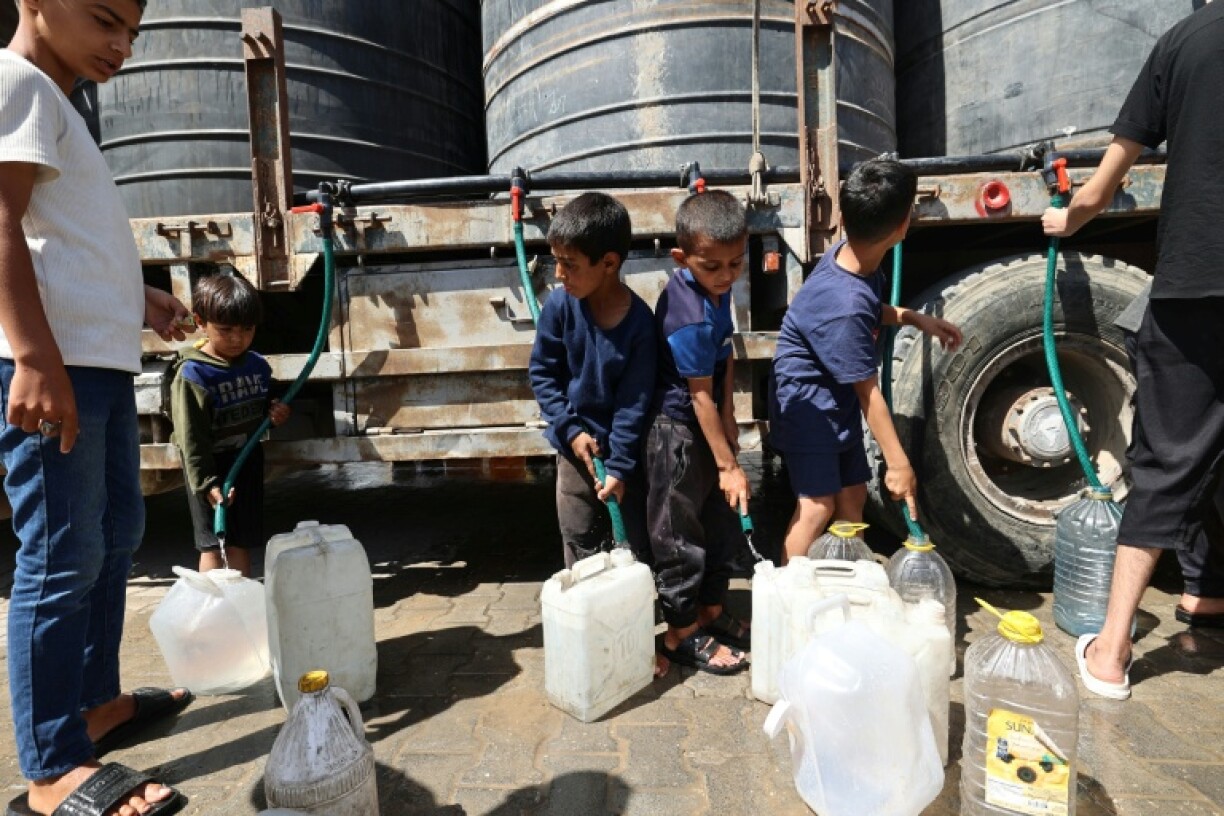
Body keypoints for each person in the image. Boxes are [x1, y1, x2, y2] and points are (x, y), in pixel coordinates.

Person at [0, 1, 195, 813]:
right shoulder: (16, 81)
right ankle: (51, 768)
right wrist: (36, 358)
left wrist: (140, 294)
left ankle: (95, 702)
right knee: (61, 559)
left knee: (118, 535)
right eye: (104, 19)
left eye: (132, 32)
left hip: (98, 365)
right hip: (59, 371)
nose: (120, 44)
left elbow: (59, 240)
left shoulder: (61, 101)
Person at [1041, 2, 1224, 700]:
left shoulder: (1186, 40)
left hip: (1199, 285)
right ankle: (1207, 594)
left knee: (1170, 454)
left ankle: (1112, 653)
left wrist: (1072, 216)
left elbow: (1114, 166)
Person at [769, 159, 962, 563]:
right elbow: (868, 395)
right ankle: (785, 592)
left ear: (844, 217)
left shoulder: (853, 256)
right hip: (808, 406)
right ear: (902, 227)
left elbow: (871, 307)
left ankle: (844, 568)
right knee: (817, 506)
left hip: (832, 392)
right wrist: (898, 463)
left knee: (853, 494)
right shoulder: (845, 303)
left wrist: (912, 317)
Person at [648, 190, 754, 675]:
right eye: (714, 266)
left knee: (719, 524)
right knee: (679, 533)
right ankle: (681, 632)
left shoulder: (717, 287)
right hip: (679, 431)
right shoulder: (685, 311)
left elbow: (726, 351)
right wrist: (728, 465)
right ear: (682, 259)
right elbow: (697, 395)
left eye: (737, 262)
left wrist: (732, 414)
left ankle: (711, 609)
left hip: (710, 420)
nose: (727, 275)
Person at [528, 192, 656, 569]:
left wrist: (619, 468)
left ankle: (636, 617)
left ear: (609, 263)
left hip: (624, 455)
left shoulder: (640, 326)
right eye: (556, 262)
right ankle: (584, 620)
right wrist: (570, 431)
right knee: (578, 538)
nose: (558, 274)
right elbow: (543, 374)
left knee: (632, 546)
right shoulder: (558, 306)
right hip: (574, 448)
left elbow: (635, 403)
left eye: (569, 264)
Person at [171, 271, 290, 577]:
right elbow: (190, 438)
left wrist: (275, 414)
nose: (237, 339)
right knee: (213, 545)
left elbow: (263, 408)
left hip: (246, 462)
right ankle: (215, 613)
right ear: (200, 322)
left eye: (247, 329)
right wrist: (206, 482)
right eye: (225, 330)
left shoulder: (257, 366)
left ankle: (242, 610)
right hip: (209, 468)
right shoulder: (194, 375)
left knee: (241, 543)